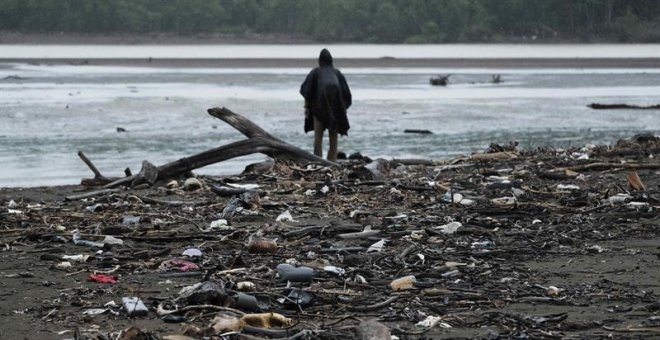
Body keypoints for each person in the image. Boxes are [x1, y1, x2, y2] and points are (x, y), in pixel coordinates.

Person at [300, 48, 352, 162]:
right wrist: (343, 110)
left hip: (318, 110)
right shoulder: (337, 73)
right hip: (335, 111)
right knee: (333, 140)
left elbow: (306, 91)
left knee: (318, 139)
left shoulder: (315, 72)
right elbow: (346, 94)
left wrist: (306, 107)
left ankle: (318, 162)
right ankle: (332, 161)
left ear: (320, 60)